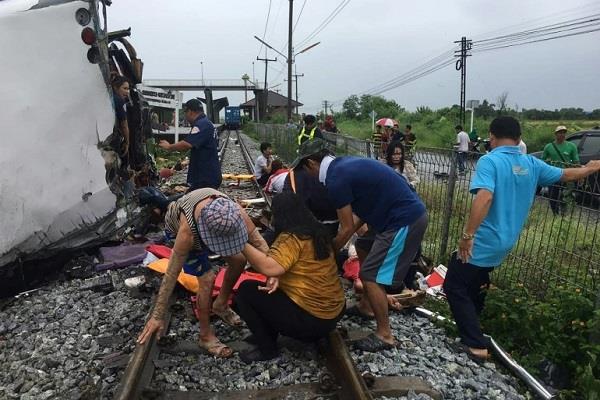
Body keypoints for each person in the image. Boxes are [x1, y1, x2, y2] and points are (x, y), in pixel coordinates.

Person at [443, 116, 600, 362]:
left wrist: (467, 236)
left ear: (492, 137)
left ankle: (474, 344)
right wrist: (590, 169)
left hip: (484, 240)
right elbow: (566, 174)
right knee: (477, 281)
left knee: (453, 285)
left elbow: (484, 197)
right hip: (507, 240)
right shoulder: (531, 163)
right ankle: (473, 328)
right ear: (518, 139)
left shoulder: (490, 161)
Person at [291, 139, 428, 352]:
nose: (307, 176)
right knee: (363, 245)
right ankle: (366, 306)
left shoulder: (335, 179)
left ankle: (385, 335)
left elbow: (345, 229)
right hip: (396, 215)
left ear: (310, 164)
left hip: (404, 220)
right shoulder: (343, 165)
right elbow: (362, 213)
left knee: (370, 275)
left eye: (304, 170)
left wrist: (328, 252)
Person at [137, 188, 269, 357]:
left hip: (204, 223)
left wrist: (275, 273)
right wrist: (157, 316)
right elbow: (171, 273)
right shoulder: (187, 234)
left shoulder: (234, 212)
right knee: (207, 279)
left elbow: (258, 240)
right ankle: (205, 335)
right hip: (178, 230)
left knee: (239, 260)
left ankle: (220, 305)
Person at [235, 193, 346, 362]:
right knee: (267, 288)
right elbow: (301, 268)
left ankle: (268, 349)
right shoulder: (318, 233)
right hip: (334, 314)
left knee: (245, 291)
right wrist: (278, 278)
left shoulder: (292, 238)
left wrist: (240, 241)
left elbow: (268, 267)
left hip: (311, 321)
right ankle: (273, 332)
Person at [158, 99, 221, 192]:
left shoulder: (201, 124)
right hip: (208, 174)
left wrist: (169, 147)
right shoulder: (207, 123)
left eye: (185, 113)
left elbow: (187, 144)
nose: (185, 116)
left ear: (190, 112)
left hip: (205, 177)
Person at [541, 125, 580, 215]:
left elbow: (576, 161)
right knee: (552, 196)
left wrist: (578, 174)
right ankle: (555, 214)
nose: (562, 134)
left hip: (567, 175)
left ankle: (564, 215)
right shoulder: (549, 147)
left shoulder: (571, 146)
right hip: (553, 175)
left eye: (564, 133)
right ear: (556, 134)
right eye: (560, 132)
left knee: (566, 196)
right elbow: (543, 161)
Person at [112, 75, 130, 156]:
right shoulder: (119, 101)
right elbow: (124, 125)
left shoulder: (106, 97)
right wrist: (127, 142)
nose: (127, 92)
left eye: (128, 89)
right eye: (125, 88)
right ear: (115, 88)